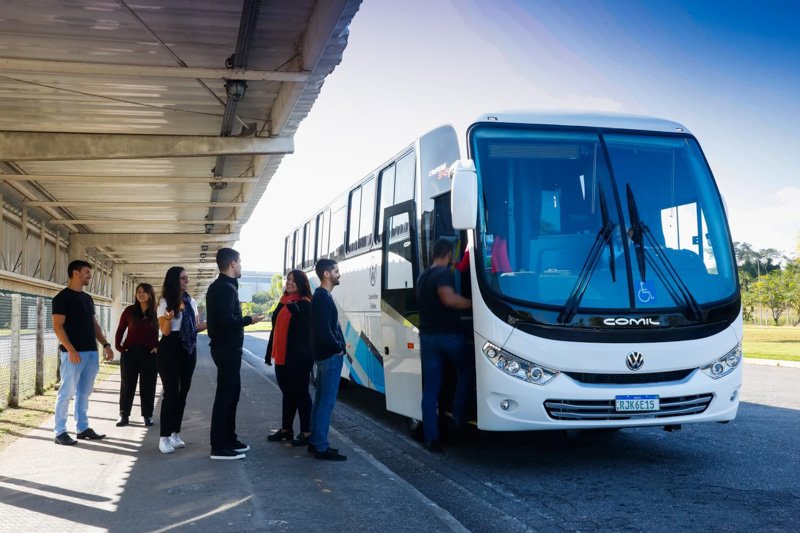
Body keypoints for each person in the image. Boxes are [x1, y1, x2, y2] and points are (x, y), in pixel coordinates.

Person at [206, 248, 263, 460]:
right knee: (225, 396)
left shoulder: (224, 286)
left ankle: (229, 438)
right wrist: (250, 319)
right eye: (239, 262)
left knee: (232, 394)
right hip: (226, 349)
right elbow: (226, 321)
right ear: (232, 264)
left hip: (227, 349)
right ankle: (219, 446)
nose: (241, 266)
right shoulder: (225, 288)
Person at [416, 238, 472, 453]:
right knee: (466, 369)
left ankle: (431, 437)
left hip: (428, 338)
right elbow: (449, 299)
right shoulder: (443, 273)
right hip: (448, 336)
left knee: (431, 389)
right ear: (449, 255)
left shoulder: (423, 276)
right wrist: (471, 302)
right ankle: (458, 415)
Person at [52, 259, 114, 445]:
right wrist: (70, 350)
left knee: (84, 393)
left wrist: (105, 344)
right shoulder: (62, 298)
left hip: (91, 353)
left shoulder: (87, 298)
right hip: (73, 354)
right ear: (76, 273)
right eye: (87, 272)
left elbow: (93, 324)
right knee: (66, 392)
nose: (90, 275)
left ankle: (82, 428)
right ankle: (60, 432)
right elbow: (58, 327)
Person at [157, 266, 206, 454]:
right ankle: (163, 437)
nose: (187, 281)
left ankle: (175, 433)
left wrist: (215, 323)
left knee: (183, 393)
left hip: (188, 347)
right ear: (174, 280)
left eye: (188, 278)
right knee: (171, 392)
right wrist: (169, 317)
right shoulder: (164, 302)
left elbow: (195, 326)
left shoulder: (191, 301)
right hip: (170, 347)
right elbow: (166, 331)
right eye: (183, 278)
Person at [265, 269, 314, 447]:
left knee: (301, 393)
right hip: (282, 356)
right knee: (287, 393)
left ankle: (306, 432)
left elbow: (309, 325)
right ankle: (286, 430)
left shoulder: (305, 303)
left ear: (301, 283)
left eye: (294, 280)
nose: (289, 282)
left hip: (299, 357)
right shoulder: (282, 303)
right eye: (288, 279)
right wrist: (269, 352)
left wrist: (297, 311)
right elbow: (275, 329)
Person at [308, 258, 347, 461]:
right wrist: (338, 348)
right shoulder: (323, 297)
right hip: (330, 357)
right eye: (336, 271)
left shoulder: (321, 296)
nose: (339, 274)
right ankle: (321, 446)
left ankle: (316, 442)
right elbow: (325, 331)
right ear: (326, 274)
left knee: (321, 400)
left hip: (323, 356)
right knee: (327, 402)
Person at [114, 282, 159, 427]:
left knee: (148, 385)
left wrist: (158, 346)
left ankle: (148, 415)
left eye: (144, 291)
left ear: (150, 294)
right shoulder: (129, 311)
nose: (140, 294)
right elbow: (120, 329)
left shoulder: (157, 311)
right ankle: (124, 415)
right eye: (138, 291)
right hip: (130, 352)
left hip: (149, 354)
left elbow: (166, 330)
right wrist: (118, 346)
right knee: (127, 384)